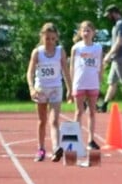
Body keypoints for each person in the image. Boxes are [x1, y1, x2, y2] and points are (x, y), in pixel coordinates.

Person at [27, 22, 65, 161]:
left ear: (56, 39)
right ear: (42, 37)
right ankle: (41, 148)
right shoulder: (37, 52)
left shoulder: (60, 51)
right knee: (42, 121)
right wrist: (31, 88)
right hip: (41, 88)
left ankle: (56, 148)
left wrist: (70, 88)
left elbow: (66, 71)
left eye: (52, 39)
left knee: (54, 120)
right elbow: (30, 73)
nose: (50, 42)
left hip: (56, 88)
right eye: (47, 38)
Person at [68, 20, 102, 166]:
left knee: (92, 111)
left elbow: (100, 65)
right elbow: (71, 67)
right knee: (78, 111)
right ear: (80, 33)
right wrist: (70, 86)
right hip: (79, 82)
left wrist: (99, 81)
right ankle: (76, 139)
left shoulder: (98, 48)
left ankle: (91, 139)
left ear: (93, 33)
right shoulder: (77, 48)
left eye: (89, 30)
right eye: (84, 31)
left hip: (92, 81)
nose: (86, 33)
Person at [101, 4, 122, 110]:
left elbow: (119, 42)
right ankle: (104, 105)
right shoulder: (118, 24)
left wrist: (108, 55)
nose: (108, 18)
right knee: (112, 82)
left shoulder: (121, 24)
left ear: (114, 13)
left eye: (109, 15)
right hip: (116, 57)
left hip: (120, 56)